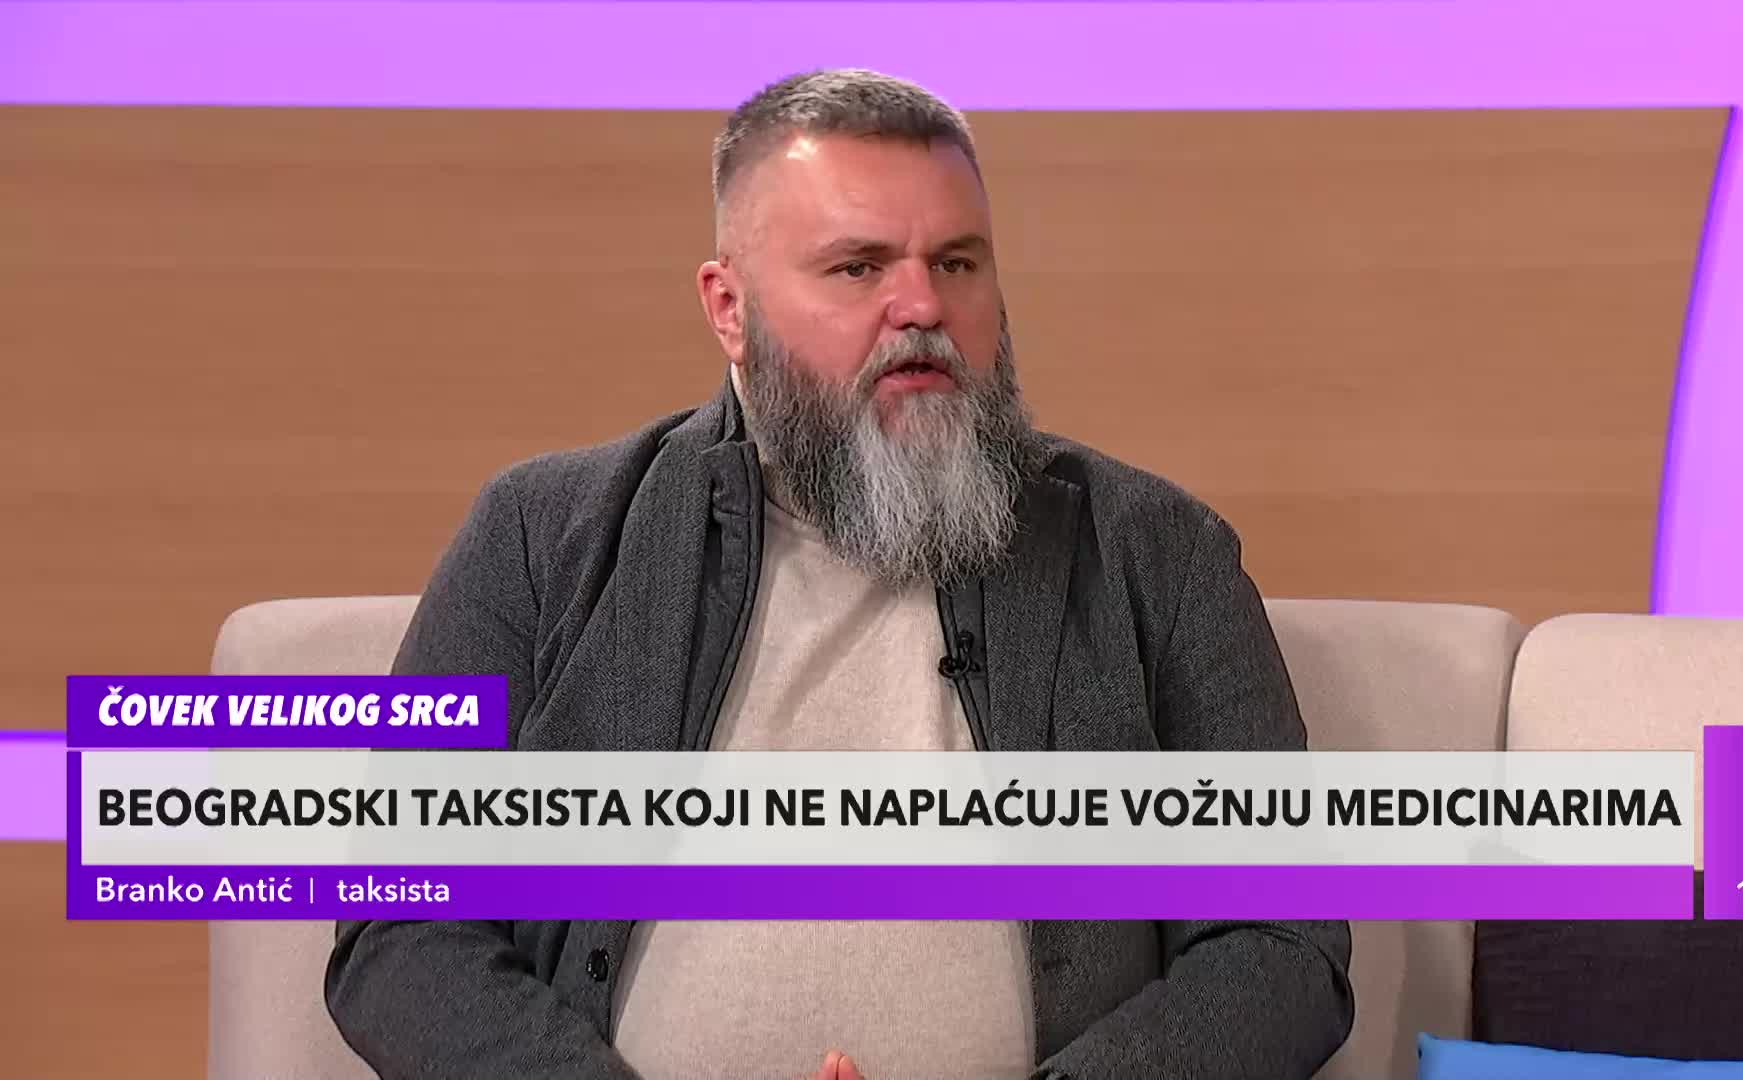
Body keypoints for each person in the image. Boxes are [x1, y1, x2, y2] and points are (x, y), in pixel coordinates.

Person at [325, 68, 1353, 1080]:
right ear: (731, 308)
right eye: (859, 267)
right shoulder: (542, 536)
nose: (922, 306)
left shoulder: (1157, 554)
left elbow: (1284, 945)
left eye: (957, 262)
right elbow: (398, 924)